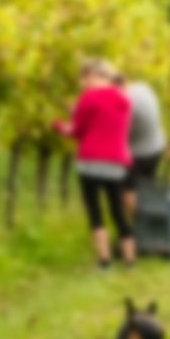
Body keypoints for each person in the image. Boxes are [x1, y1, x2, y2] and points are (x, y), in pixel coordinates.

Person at [55, 59, 136, 269]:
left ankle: (105, 262)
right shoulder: (124, 99)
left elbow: (76, 131)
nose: (84, 82)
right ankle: (130, 262)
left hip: (91, 161)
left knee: (95, 210)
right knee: (117, 211)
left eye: (86, 77)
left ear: (94, 76)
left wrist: (58, 125)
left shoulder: (88, 97)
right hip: (117, 162)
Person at [119, 76, 167, 218]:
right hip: (156, 147)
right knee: (146, 187)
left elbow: (120, 132)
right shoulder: (143, 87)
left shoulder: (126, 102)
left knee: (128, 191)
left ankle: (140, 227)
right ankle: (150, 226)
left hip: (138, 153)